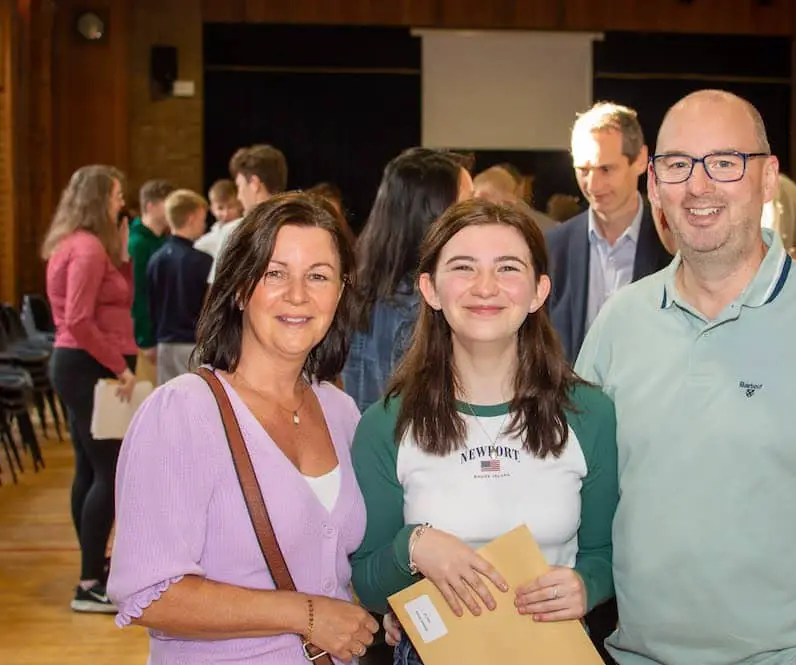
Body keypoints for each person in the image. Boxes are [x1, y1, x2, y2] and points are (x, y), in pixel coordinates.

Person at [575, 90, 796, 665]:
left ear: (766, 178)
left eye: (725, 162)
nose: (700, 185)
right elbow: (576, 492)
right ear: (655, 184)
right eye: (679, 164)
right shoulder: (619, 322)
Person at [108, 192, 379, 663]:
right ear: (238, 288)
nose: (298, 294)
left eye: (318, 276)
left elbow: (338, 557)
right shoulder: (183, 412)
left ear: (339, 292)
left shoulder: (340, 411)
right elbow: (150, 592)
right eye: (275, 273)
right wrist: (306, 614)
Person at [349, 199, 617, 665]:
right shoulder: (384, 423)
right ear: (430, 289)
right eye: (463, 267)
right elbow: (366, 581)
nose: (485, 287)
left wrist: (587, 585)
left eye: (508, 267)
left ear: (539, 291)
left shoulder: (589, 413)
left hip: (555, 650)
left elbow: (604, 550)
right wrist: (412, 546)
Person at [41, 164, 139, 613]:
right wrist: (119, 367)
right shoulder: (86, 249)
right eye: (117, 194)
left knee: (89, 467)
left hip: (84, 364)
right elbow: (79, 319)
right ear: (100, 197)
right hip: (89, 366)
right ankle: (88, 584)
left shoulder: (88, 245)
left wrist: (122, 251)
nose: (123, 201)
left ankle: (94, 568)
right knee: (109, 470)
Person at [342, 147, 473, 413]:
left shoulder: (359, 290)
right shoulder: (425, 305)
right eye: (468, 202)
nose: (478, 214)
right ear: (437, 214)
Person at [546, 102, 673, 366]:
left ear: (639, 160)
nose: (592, 185)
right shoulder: (553, 248)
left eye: (606, 169)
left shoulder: (672, 245)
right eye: (583, 170)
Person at [146, 189, 212, 384]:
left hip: (164, 344)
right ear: (191, 218)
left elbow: (150, 303)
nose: (204, 224)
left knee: (168, 403)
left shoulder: (156, 259)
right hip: (192, 345)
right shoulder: (203, 261)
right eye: (202, 219)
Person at [205, 144, 288, 284]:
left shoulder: (235, 232)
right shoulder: (306, 228)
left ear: (254, 183)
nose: (238, 196)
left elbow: (218, 295)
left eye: (239, 186)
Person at [129, 179, 176, 375]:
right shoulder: (137, 243)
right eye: (168, 204)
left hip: (165, 334)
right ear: (150, 206)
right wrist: (145, 339)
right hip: (147, 339)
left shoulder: (164, 241)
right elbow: (137, 293)